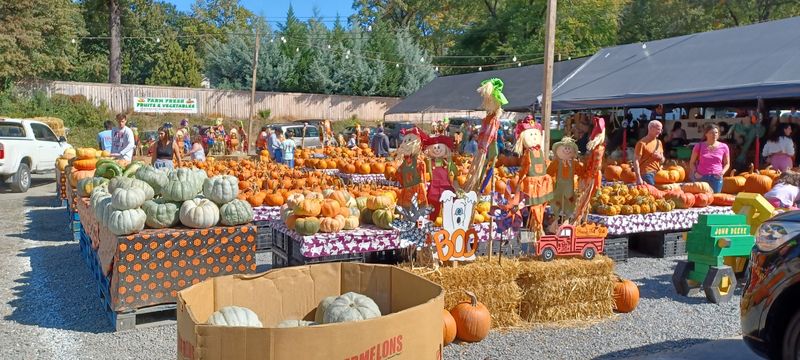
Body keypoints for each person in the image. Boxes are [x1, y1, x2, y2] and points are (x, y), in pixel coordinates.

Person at [689, 124, 730, 193]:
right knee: (701, 199)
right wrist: (696, 173)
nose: (714, 135)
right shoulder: (699, 146)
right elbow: (692, 163)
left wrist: (722, 173)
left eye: (716, 133)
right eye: (711, 133)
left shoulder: (724, 146)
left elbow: (727, 163)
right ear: (706, 134)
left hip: (716, 177)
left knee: (715, 198)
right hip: (701, 176)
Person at [633, 120, 665, 185]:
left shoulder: (659, 142)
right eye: (658, 129)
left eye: (661, 130)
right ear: (651, 128)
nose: (660, 132)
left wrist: (660, 157)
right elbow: (636, 161)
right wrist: (638, 178)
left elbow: (662, 160)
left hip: (658, 173)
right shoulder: (641, 143)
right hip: (646, 174)